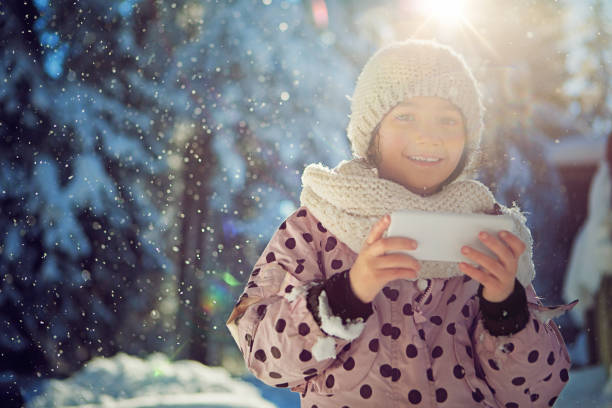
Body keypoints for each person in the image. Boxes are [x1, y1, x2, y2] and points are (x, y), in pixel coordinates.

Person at [227, 40, 578, 407]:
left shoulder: (485, 233)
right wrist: (345, 296)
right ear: (371, 131)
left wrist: (506, 310)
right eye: (406, 116)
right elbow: (265, 358)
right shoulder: (320, 223)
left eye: (448, 120)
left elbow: (539, 391)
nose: (429, 135)